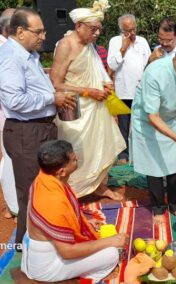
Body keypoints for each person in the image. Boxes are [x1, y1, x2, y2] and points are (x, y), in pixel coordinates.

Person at [0, 8, 75, 247]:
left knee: (46, 188)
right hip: (26, 133)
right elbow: (14, 101)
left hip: (39, 130)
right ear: (20, 31)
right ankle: (28, 248)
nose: (44, 36)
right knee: (31, 194)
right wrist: (50, 99)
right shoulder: (10, 57)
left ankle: (45, 240)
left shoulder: (28, 54)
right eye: (39, 31)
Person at [21, 140, 129, 282]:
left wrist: (85, 221)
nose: (77, 157)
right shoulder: (54, 202)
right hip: (46, 268)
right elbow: (68, 252)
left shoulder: (44, 178)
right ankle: (90, 277)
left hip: (38, 253)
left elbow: (65, 213)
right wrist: (111, 241)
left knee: (98, 237)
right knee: (112, 254)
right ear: (61, 171)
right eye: (73, 159)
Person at [50, 0, 126, 200]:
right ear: (78, 26)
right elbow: (56, 84)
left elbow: (96, 74)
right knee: (77, 152)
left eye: (99, 29)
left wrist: (104, 85)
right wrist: (88, 92)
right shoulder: (66, 45)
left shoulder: (90, 46)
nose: (97, 33)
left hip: (98, 109)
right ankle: (72, 192)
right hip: (75, 110)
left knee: (102, 148)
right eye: (93, 29)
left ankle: (100, 187)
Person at [131, 43, 176, 224]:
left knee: (175, 163)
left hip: (171, 119)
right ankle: (157, 207)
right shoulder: (155, 73)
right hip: (148, 120)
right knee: (154, 164)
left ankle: (175, 204)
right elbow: (153, 116)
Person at [108, 14, 151, 164]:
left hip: (140, 90)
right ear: (122, 29)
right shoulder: (115, 41)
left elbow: (148, 63)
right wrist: (123, 48)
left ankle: (140, 153)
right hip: (123, 90)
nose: (132, 33)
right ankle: (123, 155)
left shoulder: (142, 41)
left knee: (141, 123)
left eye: (133, 29)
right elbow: (112, 65)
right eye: (128, 30)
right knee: (123, 125)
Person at [0, 8, 18, 221]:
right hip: (8, 114)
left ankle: (13, 205)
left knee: (11, 159)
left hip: (11, 115)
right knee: (11, 161)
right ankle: (12, 207)